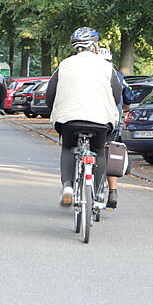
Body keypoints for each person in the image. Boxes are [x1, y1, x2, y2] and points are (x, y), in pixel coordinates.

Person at [46, 27, 122, 206]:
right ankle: (99, 193)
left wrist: (55, 112)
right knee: (99, 151)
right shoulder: (106, 66)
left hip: (69, 120)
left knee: (68, 148)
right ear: (95, 46)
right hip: (101, 121)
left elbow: (50, 94)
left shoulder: (64, 65)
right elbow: (117, 96)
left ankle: (67, 186)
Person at [98, 47, 134, 208]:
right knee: (110, 154)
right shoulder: (118, 75)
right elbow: (128, 97)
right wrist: (124, 108)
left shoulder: (90, 73)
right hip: (112, 122)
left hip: (92, 120)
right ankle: (113, 191)